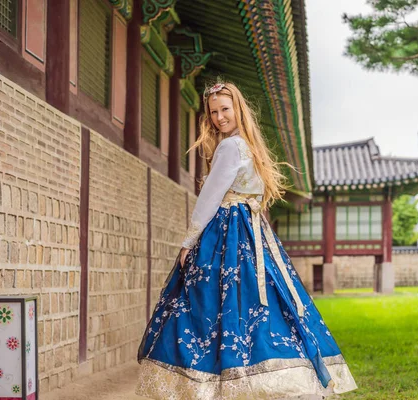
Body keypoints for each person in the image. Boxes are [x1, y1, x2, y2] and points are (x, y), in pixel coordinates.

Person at [136, 81, 358, 399]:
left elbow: (211, 197)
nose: (219, 117)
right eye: (213, 112)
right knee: (258, 301)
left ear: (238, 108)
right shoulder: (248, 144)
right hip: (252, 230)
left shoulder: (230, 146)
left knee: (206, 301)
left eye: (225, 109)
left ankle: (210, 382)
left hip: (228, 229)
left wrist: (189, 241)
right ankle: (267, 374)